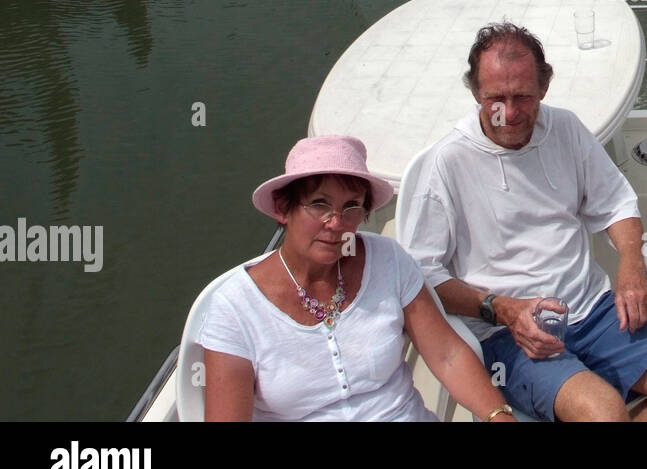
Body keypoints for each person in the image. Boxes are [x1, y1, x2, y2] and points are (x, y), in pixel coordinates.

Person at [396, 23, 647, 422]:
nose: (510, 113)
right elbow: (421, 274)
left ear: (544, 88)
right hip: (509, 333)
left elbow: (616, 203)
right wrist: (502, 309)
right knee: (603, 413)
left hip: (596, 309)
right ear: (475, 93)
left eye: (523, 97)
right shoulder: (446, 163)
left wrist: (633, 267)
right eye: (496, 99)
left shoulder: (565, 128)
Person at [199, 135, 516, 422]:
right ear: (284, 208)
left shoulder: (387, 259)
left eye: (351, 207)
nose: (336, 223)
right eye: (319, 204)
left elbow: (448, 355)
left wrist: (498, 415)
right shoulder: (234, 309)